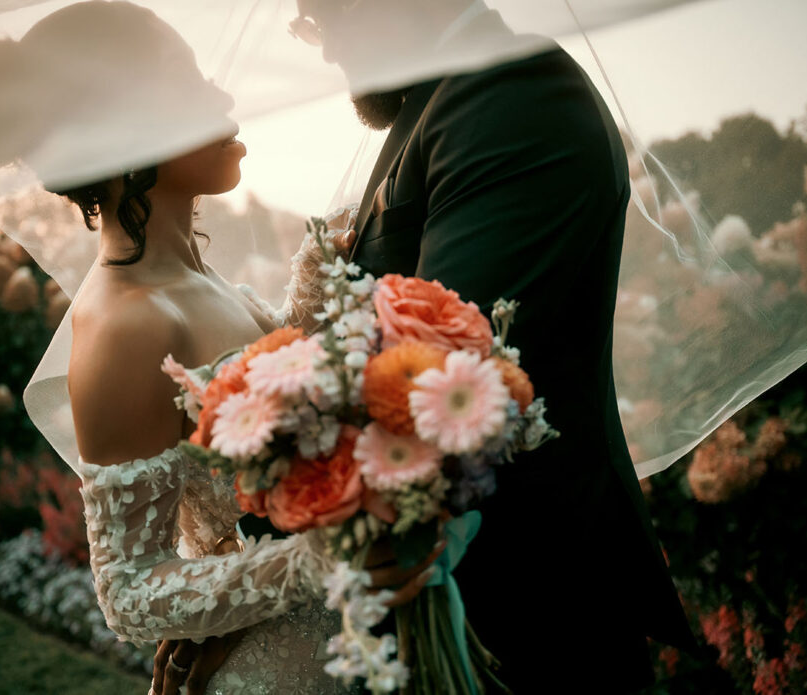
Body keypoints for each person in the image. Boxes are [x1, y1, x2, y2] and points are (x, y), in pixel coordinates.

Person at [0, 2, 442, 693]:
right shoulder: (126, 324)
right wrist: (316, 561)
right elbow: (130, 590)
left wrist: (312, 306)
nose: (225, 97)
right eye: (191, 80)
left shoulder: (193, 277)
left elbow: (262, 413)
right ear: (124, 121)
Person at [275, 0, 704, 691]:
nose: (325, 51)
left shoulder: (510, 92)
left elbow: (434, 389)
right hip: (452, 604)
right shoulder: (437, 101)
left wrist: (243, 583)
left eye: (324, 19)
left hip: (527, 614)